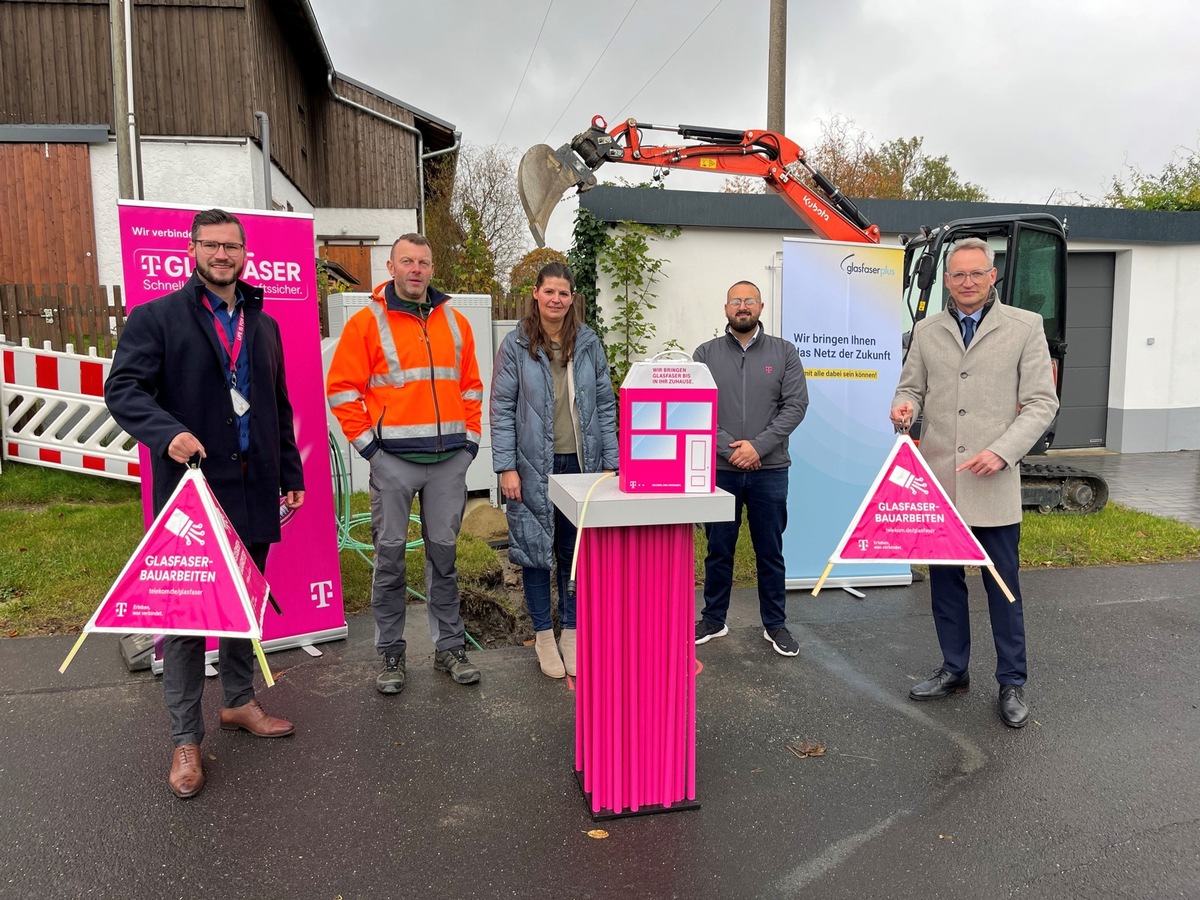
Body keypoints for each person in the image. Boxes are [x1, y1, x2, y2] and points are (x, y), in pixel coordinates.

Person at [105, 208, 305, 800]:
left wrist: (288, 469)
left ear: (246, 253)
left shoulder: (262, 325)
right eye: (212, 245)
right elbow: (122, 390)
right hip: (194, 494)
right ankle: (186, 739)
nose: (223, 255)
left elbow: (278, 402)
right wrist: (167, 433)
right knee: (191, 620)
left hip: (254, 487)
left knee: (244, 601)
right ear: (193, 250)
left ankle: (239, 702)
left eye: (232, 246)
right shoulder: (158, 318)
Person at [890, 237, 1058, 728]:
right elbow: (911, 387)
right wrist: (905, 408)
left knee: (1002, 588)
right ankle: (954, 669)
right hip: (940, 482)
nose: (967, 282)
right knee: (945, 585)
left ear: (992, 277)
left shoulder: (1025, 327)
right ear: (947, 280)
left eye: (976, 274)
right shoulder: (926, 330)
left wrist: (1002, 452)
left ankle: (1012, 682)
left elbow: (1042, 403)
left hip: (992, 481)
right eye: (958, 274)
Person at [326, 233, 484, 694]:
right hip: (393, 462)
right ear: (391, 268)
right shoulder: (366, 324)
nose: (416, 269)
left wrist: (469, 446)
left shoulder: (455, 323)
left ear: (432, 269)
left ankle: (449, 647)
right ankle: (391, 653)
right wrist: (371, 451)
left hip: (449, 462)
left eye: (424, 262)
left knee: (444, 557)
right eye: (407, 261)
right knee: (390, 559)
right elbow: (342, 392)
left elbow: (472, 388)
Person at [491, 262, 618, 678]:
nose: (556, 300)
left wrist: (612, 463)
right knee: (533, 553)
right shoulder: (515, 344)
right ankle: (544, 636)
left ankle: (573, 633)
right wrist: (506, 467)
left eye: (564, 293)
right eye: (550, 292)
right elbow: (502, 410)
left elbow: (604, 406)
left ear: (571, 298)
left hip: (582, 466)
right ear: (535, 293)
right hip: (532, 466)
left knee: (575, 553)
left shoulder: (589, 343)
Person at [693, 280, 809, 656]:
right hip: (722, 470)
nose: (742, 307)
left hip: (770, 469)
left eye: (749, 301)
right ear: (726, 308)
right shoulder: (705, 354)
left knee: (770, 550)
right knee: (718, 548)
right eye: (735, 301)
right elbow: (696, 408)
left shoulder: (785, 352)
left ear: (760, 307)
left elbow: (795, 406)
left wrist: (757, 447)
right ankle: (714, 618)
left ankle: (775, 624)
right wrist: (732, 450)